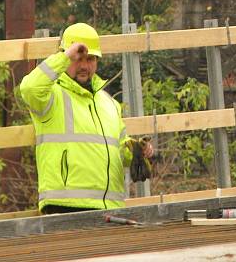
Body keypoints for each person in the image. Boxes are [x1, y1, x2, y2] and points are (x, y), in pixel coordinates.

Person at [19, 22, 153, 214]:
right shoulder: (51, 97)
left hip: (110, 207)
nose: (84, 65)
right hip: (65, 206)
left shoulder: (109, 103)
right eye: (78, 59)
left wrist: (138, 152)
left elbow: (120, 153)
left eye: (90, 59)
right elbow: (29, 88)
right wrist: (65, 56)